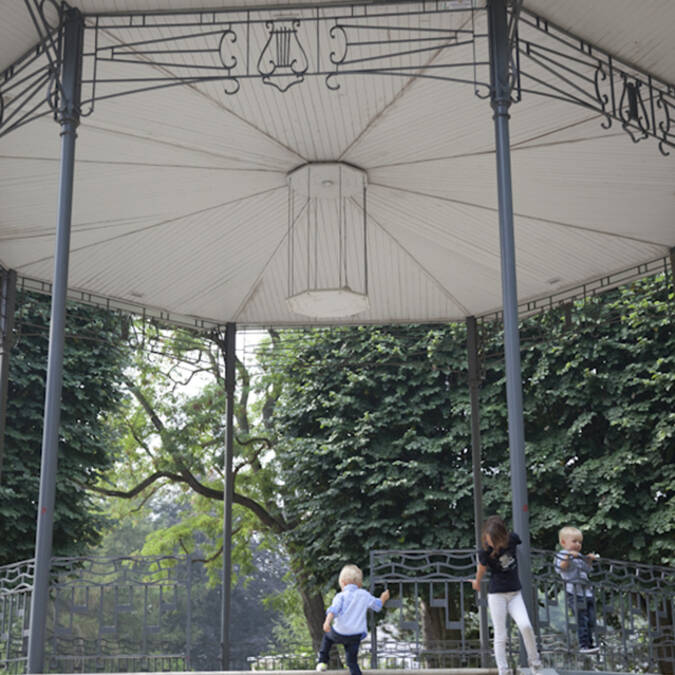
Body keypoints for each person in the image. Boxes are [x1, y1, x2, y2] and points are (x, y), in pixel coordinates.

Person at [470, 515, 543, 675]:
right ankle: (503, 671)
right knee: (500, 634)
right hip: (497, 595)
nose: (490, 543)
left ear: (502, 537)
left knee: (526, 626)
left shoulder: (512, 540)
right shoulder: (485, 552)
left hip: (515, 593)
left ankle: (535, 663)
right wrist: (476, 583)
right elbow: (481, 570)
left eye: (492, 540)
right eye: (488, 539)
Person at [316, 563, 390, 675]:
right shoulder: (364, 595)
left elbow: (333, 610)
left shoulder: (340, 596)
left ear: (342, 583)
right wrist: (383, 598)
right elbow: (378, 606)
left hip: (340, 632)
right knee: (352, 662)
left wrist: (327, 622)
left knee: (327, 638)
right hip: (355, 634)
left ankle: (322, 662)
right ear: (359, 584)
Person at [554, 525, 600, 654]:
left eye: (580, 542)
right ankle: (583, 645)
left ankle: (591, 644)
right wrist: (568, 557)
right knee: (582, 619)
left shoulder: (579, 555)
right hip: (574, 592)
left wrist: (589, 560)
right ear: (563, 542)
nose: (578, 544)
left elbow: (587, 569)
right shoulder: (562, 554)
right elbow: (561, 568)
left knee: (591, 619)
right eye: (574, 541)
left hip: (587, 591)